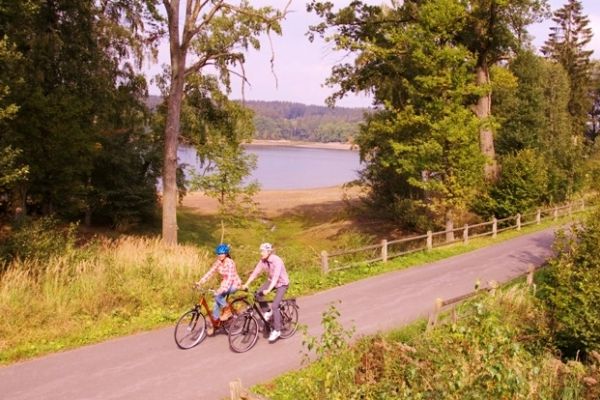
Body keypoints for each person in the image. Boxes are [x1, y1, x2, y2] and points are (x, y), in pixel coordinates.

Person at [242, 242, 289, 342]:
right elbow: (255, 272)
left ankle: (277, 330)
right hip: (271, 281)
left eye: (262, 251)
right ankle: (268, 312)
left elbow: (276, 277)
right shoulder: (263, 260)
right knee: (258, 294)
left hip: (282, 283)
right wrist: (246, 284)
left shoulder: (277, 261)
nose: (261, 253)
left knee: (275, 306)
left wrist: (268, 290)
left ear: (268, 251)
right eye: (261, 251)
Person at [196, 243, 242, 334]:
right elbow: (211, 272)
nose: (220, 256)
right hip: (225, 283)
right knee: (216, 301)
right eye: (218, 254)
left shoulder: (230, 262)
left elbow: (229, 278)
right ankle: (215, 322)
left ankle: (227, 310)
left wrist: (223, 289)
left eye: (222, 254)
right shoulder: (218, 262)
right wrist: (201, 281)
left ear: (226, 254)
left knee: (218, 296)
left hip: (234, 284)